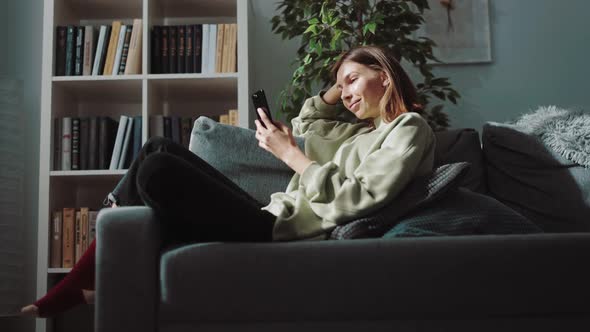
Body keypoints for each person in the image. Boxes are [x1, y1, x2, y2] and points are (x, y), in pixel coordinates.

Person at [21, 44, 435, 317]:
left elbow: (358, 199)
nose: (344, 94)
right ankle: (87, 277)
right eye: (340, 85)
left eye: (354, 81)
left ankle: (86, 280)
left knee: (157, 171)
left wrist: (290, 154)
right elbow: (311, 119)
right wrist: (344, 78)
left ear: (385, 75)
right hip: (271, 214)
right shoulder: (359, 132)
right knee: (157, 148)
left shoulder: (408, 128)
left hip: (283, 230)